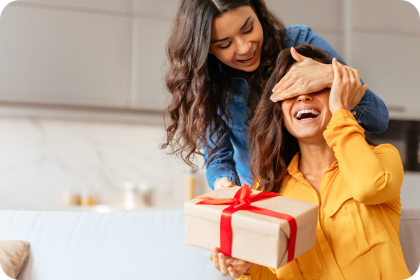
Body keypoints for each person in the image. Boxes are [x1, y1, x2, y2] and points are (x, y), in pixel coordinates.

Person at [209, 45, 411, 280]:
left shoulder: (383, 157)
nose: (303, 96)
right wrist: (248, 269)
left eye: (315, 87)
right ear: (280, 113)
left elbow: (369, 188)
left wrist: (340, 112)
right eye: (291, 90)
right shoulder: (268, 190)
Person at [162, 0, 389, 191]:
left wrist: (331, 74)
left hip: (330, 188)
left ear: (257, 12)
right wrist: (225, 185)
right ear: (206, 48)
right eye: (226, 44)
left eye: (248, 29)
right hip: (268, 198)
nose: (244, 48)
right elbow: (218, 159)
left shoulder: (298, 42)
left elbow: (379, 119)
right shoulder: (208, 82)